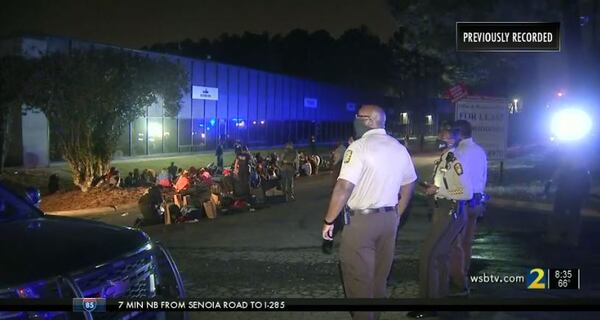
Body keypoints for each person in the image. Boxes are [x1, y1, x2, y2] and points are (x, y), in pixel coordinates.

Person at [322, 105, 416, 320]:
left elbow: (343, 187)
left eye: (358, 117)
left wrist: (329, 220)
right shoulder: (398, 147)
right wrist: (398, 213)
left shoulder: (359, 148)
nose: (355, 120)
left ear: (371, 120)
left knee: (358, 282)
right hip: (389, 220)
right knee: (378, 278)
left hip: (361, 223)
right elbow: (409, 183)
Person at [407, 126, 472, 319]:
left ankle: (428, 305)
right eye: (440, 136)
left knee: (429, 256)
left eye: (444, 137)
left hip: (450, 211)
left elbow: (466, 192)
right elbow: (446, 184)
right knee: (441, 256)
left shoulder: (454, 160)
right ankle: (439, 297)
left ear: (453, 140)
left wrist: (439, 191)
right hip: (444, 209)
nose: (440, 139)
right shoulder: (445, 158)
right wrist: (435, 187)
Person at [448, 120, 488, 296]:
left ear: (458, 134)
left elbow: (455, 181)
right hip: (477, 201)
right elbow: (484, 176)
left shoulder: (458, 153)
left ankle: (458, 282)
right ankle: (464, 273)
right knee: (467, 242)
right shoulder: (480, 151)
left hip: (462, 202)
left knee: (455, 243)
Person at [545, 148, 591, 247]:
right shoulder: (581, 167)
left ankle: (555, 237)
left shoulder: (567, 165)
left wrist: (547, 188)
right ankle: (570, 239)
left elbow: (554, 177)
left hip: (565, 194)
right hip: (573, 195)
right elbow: (587, 182)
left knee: (560, 215)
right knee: (572, 216)